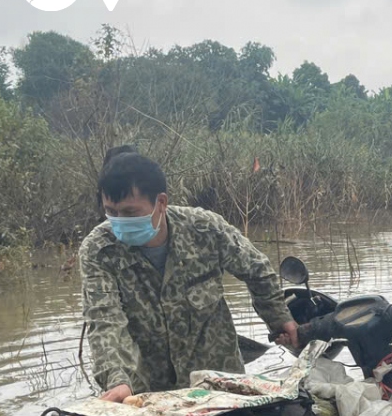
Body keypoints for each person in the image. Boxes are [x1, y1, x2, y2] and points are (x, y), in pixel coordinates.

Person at [79, 149, 298, 403]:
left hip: (220, 386)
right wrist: (117, 380)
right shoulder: (99, 250)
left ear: (161, 203)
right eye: (111, 212)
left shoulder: (205, 229)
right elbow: (104, 320)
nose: (119, 222)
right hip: (146, 395)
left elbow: (257, 269)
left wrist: (279, 318)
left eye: (129, 213)